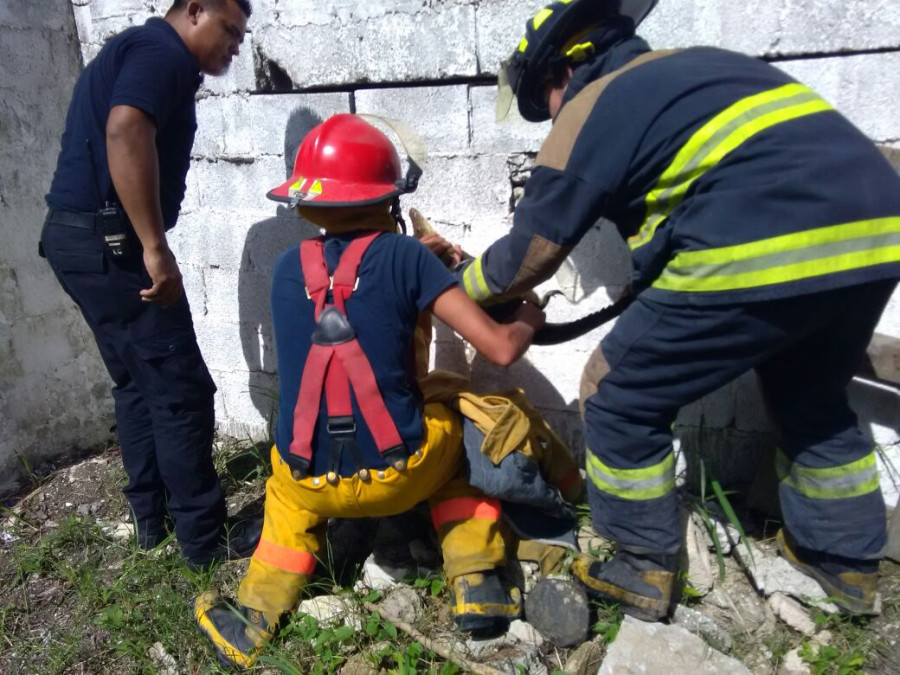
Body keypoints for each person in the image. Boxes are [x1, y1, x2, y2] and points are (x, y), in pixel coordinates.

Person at [448, 0, 900, 620]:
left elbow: (524, 259)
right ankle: (845, 564)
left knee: (615, 394)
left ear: (560, 73)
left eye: (543, 102)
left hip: (764, 243)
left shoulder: (593, 102)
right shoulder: (703, 69)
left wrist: (449, 286)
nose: (550, 121)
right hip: (875, 238)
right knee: (812, 398)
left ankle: (639, 565)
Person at [193, 114, 545, 668]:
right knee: (458, 417)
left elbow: (351, 301)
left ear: (306, 203)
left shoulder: (287, 266)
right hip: (398, 475)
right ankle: (478, 582)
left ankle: (254, 616)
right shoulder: (408, 258)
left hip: (310, 480)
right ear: (389, 197)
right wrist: (529, 310)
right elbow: (499, 347)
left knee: (284, 489)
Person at [40, 0, 260, 569]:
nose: (235, 45)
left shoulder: (135, 49)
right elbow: (126, 127)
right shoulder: (160, 53)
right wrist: (154, 247)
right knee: (180, 391)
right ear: (194, 11)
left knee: (136, 383)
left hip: (77, 242)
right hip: (113, 247)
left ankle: (149, 520)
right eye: (229, 30)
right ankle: (204, 541)